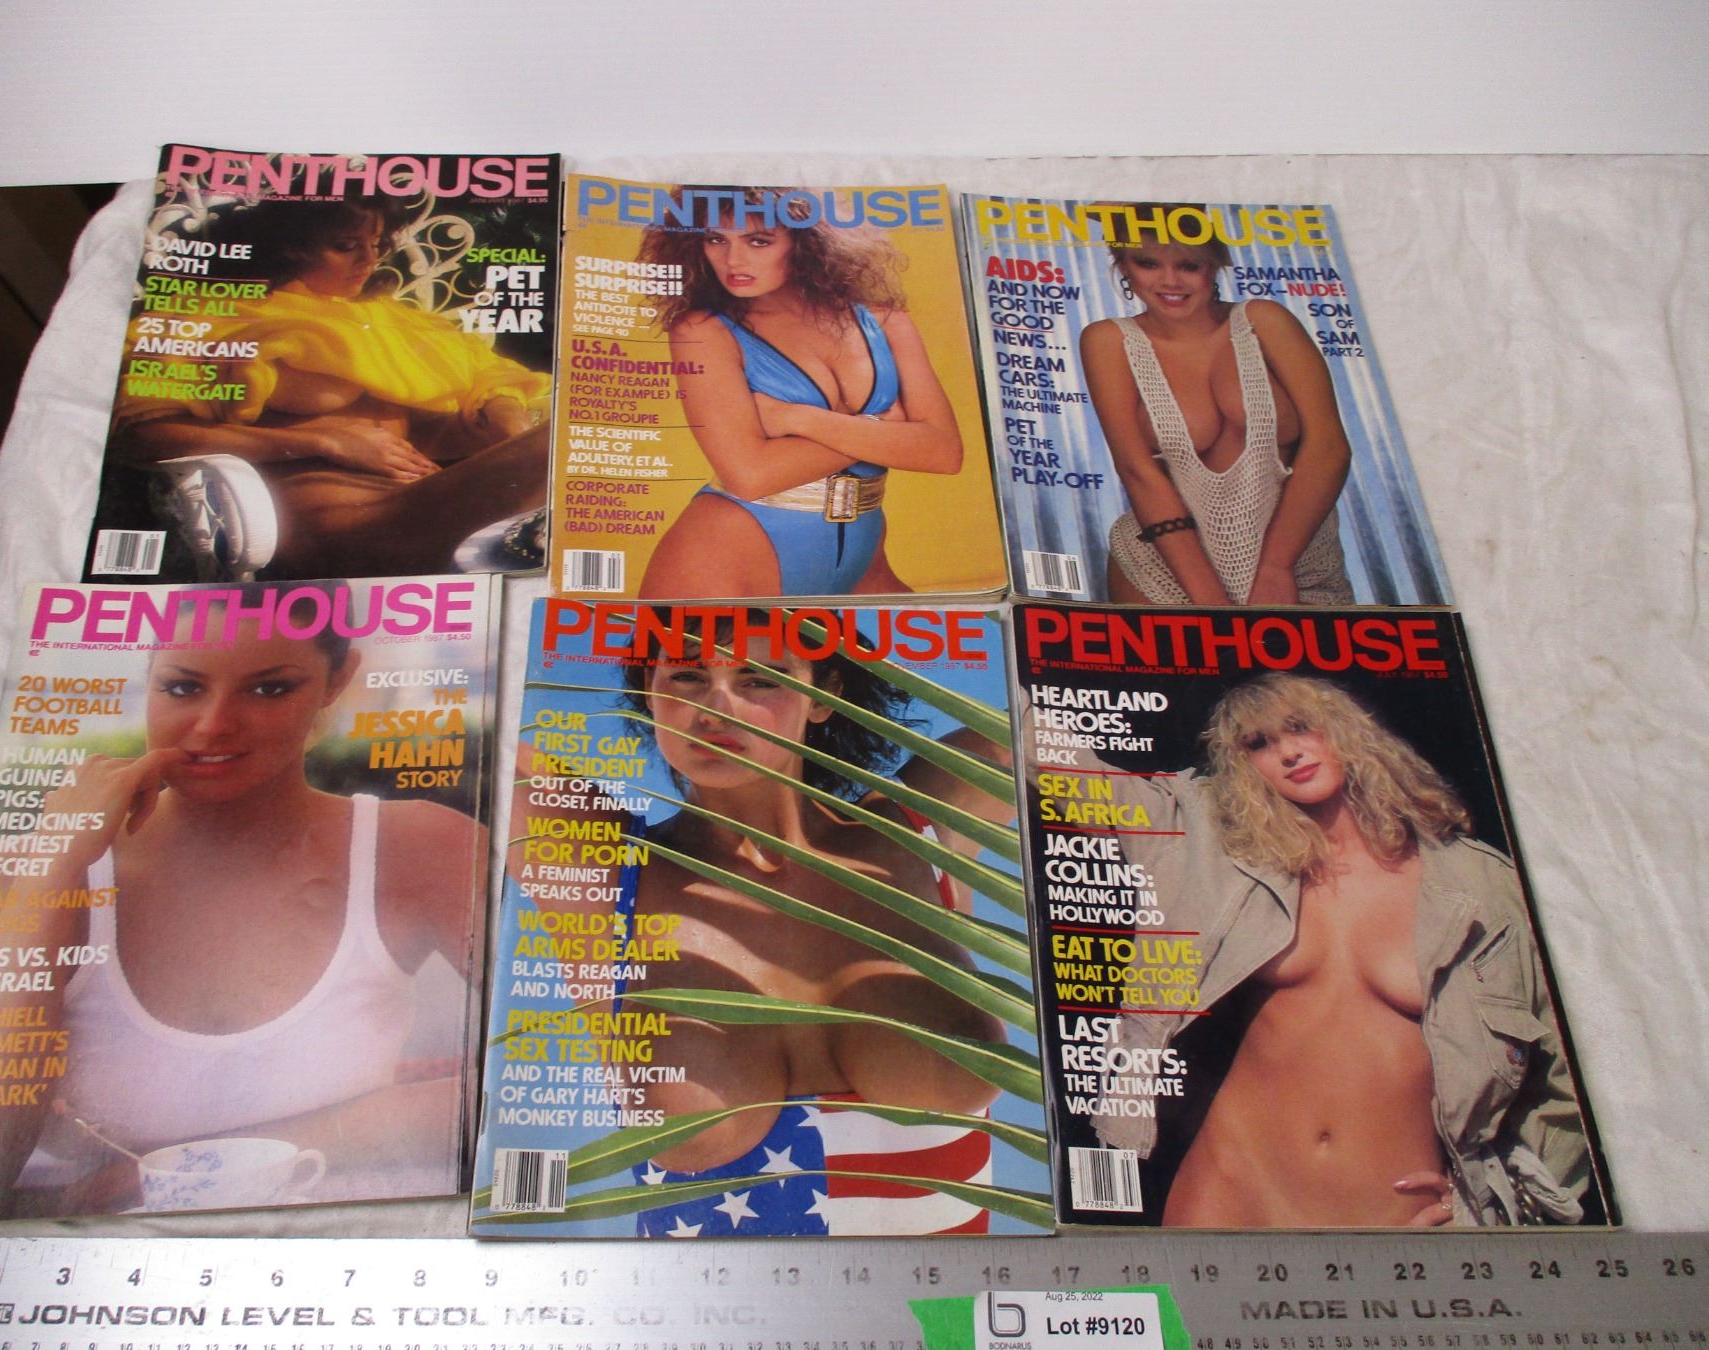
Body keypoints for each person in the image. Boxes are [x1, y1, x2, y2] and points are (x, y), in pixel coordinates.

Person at [0, 589, 485, 1214]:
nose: (213, 725)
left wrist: (220, 1160)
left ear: (337, 679)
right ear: (149, 678)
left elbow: (554, 1076)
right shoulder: (13, 876)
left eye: (269, 689)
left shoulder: (417, 846)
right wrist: (55, 863)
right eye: (182, 688)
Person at [508, 611, 1013, 1234]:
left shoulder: (918, 832)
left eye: (760, 679)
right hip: (696, 1298)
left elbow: (1095, 710)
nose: (715, 708)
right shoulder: (602, 865)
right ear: (648, 693)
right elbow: (442, 709)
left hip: (964, 1295)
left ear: (823, 694)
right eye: (687, 677)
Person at [1082, 673, 1590, 1226]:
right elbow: (1070, 772)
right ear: (1243, 767)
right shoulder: (1221, 848)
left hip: (1391, 1211)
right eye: (1260, 743)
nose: (1289, 752)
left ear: (1347, 731)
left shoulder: (1482, 884)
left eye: (1301, 727)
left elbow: (1564, 1077)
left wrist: (1501, 1205)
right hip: (1228, 1188)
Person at [111, 198, 551, 576]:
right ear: (290, 247)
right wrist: (319, 442)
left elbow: (489, 375)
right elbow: (143, 435)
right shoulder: (216, 318)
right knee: (572, 438)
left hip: (429, 496)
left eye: (375, 245)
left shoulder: (389, 319)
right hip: (337, 527)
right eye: (345, 246)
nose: (368, 260)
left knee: (570, 439)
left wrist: (507, 417)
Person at [636, 188, 964, 598]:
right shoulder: (703, 331)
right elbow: (750, 476)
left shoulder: (887, 323)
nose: (733, 260)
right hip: (726, 558)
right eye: (716, 239)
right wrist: (885, 431)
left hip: (861, 558)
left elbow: (944, 453)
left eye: (759, 241)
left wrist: (798, 418)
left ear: (808, 243)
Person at [1079, 213, 1354, 606]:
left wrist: (1275, 568)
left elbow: (1329, 447)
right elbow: (1137, 472)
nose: (1170, 281)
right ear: (1123, 266)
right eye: (1148, 263)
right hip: (1167, 569)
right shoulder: (1108, 341)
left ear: (1216, 262)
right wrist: (1213, 605)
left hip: (1296, 565)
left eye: (1189, 265)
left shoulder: (1264, 321)